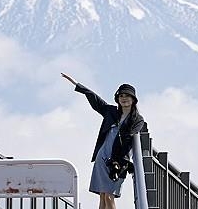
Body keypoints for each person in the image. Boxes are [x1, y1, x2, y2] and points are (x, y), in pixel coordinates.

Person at [61, 73, 145, 209]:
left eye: (127, 95)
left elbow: (129, 139)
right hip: (103, 157)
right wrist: (76, 84)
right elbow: (95, 99)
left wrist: (118, 161)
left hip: (119, 161)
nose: (124, 98)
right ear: (117, 99)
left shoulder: (137, 119)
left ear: (133, 99)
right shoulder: (111, 111)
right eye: (121, 96)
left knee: (109, 194)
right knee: (103, 195)